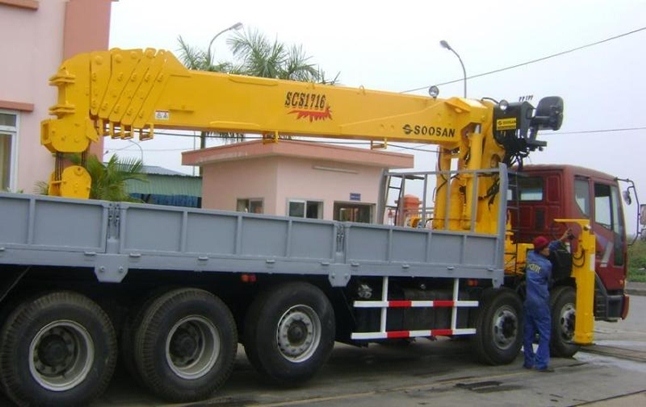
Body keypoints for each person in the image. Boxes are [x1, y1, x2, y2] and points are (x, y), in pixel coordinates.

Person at [523, 229, 572, 372]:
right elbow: (549, 281)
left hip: (529, 301)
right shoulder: (547, 265)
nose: (548, 250)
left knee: (528, 333)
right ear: (541, 250)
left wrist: (562, 238)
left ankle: (528, 361)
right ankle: (541, 364)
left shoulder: (530, 256)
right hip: (541, 303)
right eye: (546, 248)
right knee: (545, 334)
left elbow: (548, 247)